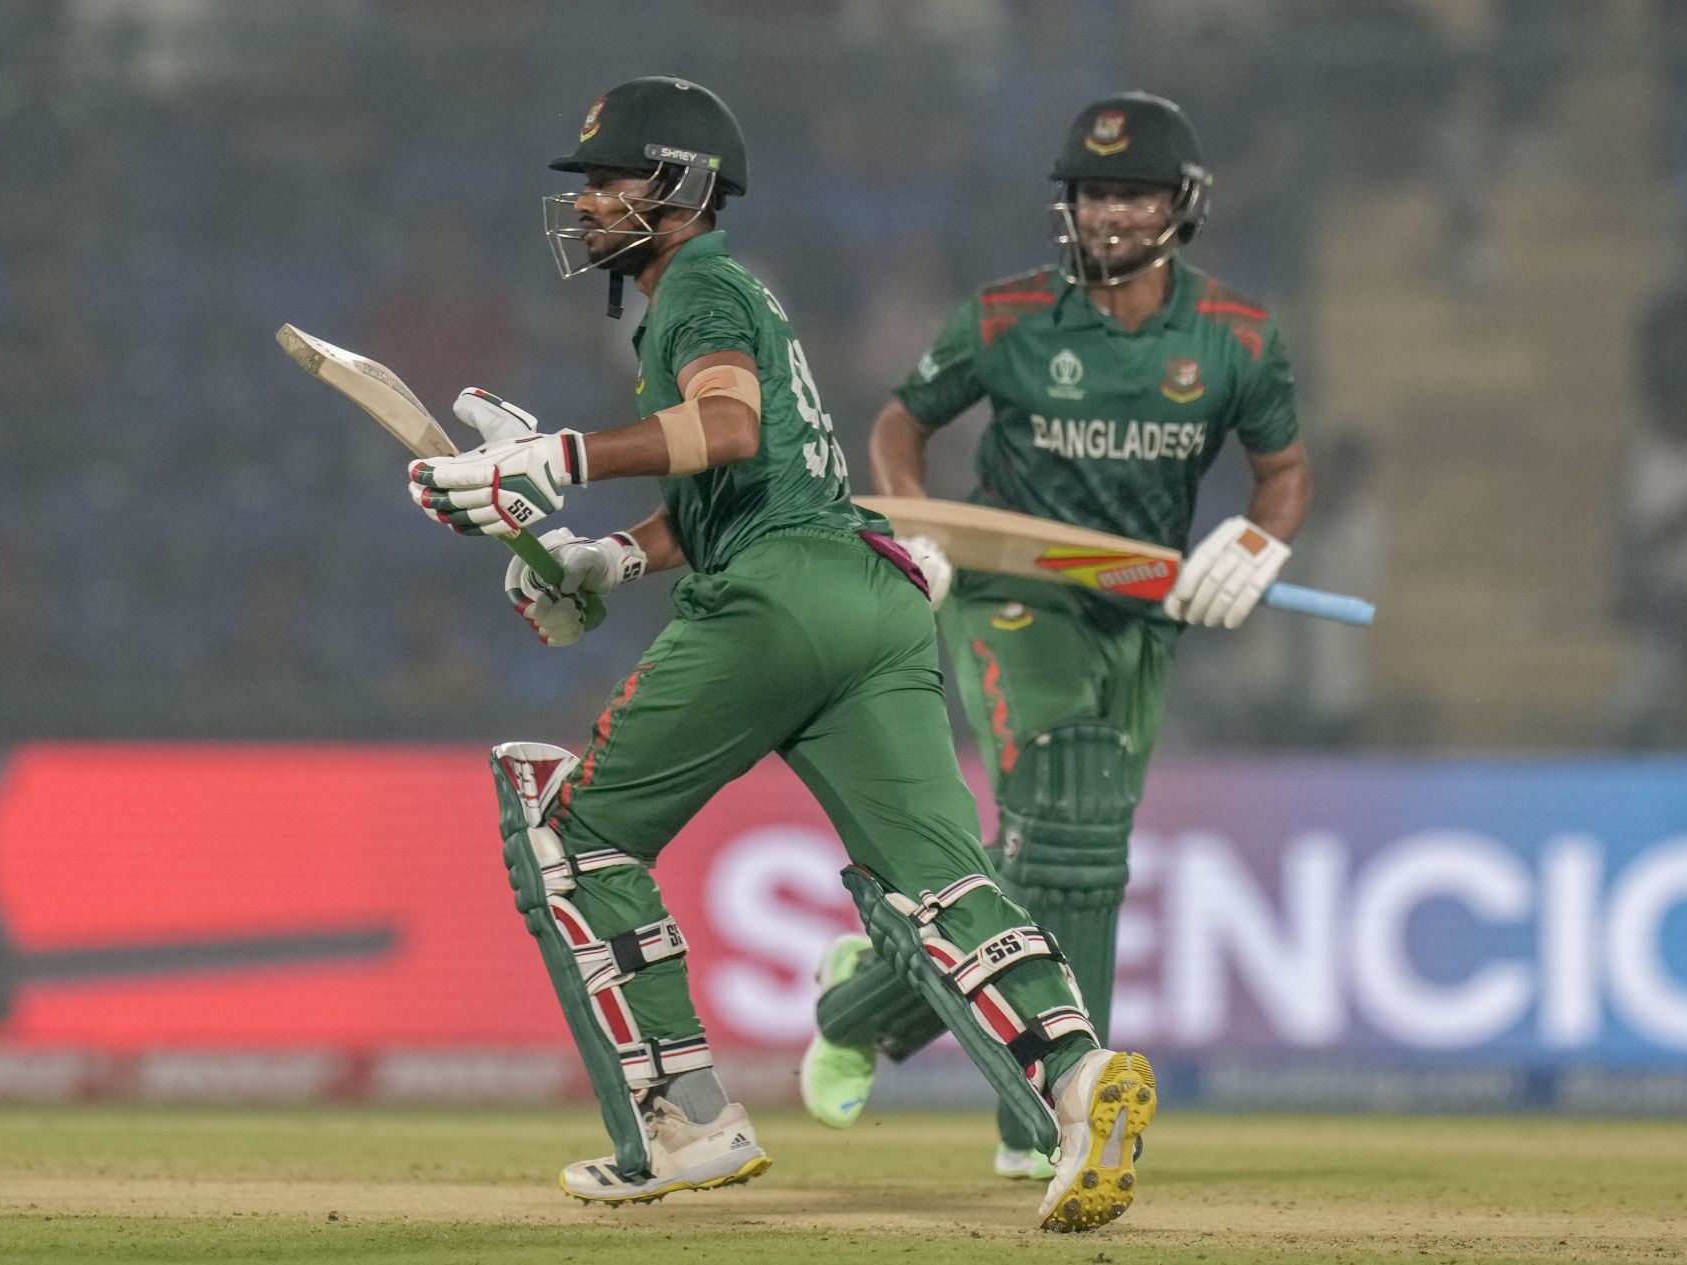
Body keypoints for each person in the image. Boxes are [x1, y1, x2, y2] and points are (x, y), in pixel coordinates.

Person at [404, 76, 1153, 1233]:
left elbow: (730, 428)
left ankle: (687, 1120)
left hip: (778, 601)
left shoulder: (697, 284)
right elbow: (752, 486)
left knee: (574, 836)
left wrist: (558, 458)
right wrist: (608, 558)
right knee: (941, 880)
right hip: (871, 596)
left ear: (686, 187)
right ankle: (1072, 1074)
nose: (594, 200)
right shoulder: (732, 291)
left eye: (616, 178)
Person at [800, 91, 1312, 1182]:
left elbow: (1284, 474)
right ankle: (1045, 1112)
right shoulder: (1008, 316)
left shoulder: (1235, 339)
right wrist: (918, 528)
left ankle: (863, 995)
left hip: (1142, 611)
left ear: (1183, 205)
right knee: (1065, 801)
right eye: (1091, 194)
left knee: (1067, 859)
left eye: (1132, 194)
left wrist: (1261, 544)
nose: (1110, 215)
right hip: (1011, 594)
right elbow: (901, 424)